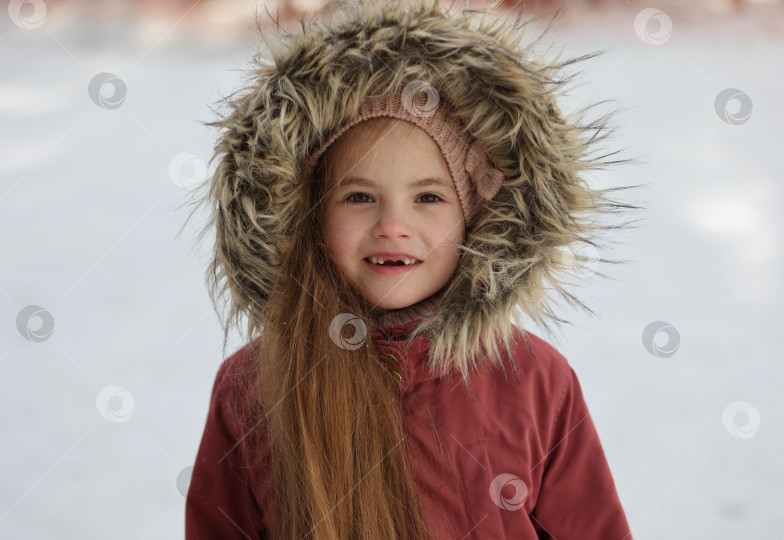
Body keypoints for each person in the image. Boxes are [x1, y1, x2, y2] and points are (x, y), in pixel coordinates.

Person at [182, 0, 642, 538]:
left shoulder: (535, 382)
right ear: (306, 216)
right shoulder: (254, 387)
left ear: (478, 219)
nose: (393, 225)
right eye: (358, 196)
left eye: (428, 197)